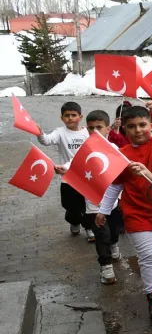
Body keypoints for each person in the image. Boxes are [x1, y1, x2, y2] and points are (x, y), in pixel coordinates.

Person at [96, 101, 152, 324]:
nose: (138, 130)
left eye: (142, 124)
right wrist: (103, 210)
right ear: (124, 130)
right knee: (148, 257)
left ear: (151, 125)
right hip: (137, 215)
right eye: (131, 126)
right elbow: (115, 186)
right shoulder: (122, 155)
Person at [54, 110, 123, 283]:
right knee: (101, 234)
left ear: (108, 129)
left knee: (114, 231)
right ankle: (106, 266)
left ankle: (114, 244)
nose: (95, 132)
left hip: (113, 201)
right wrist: (64, 168)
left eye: (99, 127)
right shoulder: (83, 150)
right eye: (91, 128)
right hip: (93, 202)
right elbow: (73, 163)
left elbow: (124, 167)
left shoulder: (114, 149)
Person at [37, 101, 89, 237]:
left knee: (88, 203)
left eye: (73, 115)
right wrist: (40, 133)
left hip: (86, 176)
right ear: (62, 118)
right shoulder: (60, 132)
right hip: (68, 178)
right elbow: (46, 140)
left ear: (80, 117)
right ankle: (74, 221)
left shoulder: (87, 132)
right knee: (71, 205)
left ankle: (89, 227)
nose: (70, 118)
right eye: (66, 115)